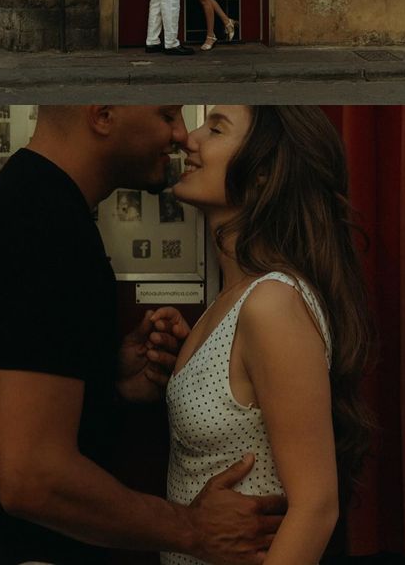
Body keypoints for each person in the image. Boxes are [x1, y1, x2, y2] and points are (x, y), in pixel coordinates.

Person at [0, 105, 285, 565]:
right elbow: (34, 479)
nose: (181, 134)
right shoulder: (49, 231)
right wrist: (194, 528)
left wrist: (102, 380)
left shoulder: (12, 208)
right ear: (101, 115)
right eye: (166, 114)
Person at [157, 105, 374, 565]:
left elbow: (316, 508)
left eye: (215, 129)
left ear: (261, 175)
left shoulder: (272, 303)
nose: (189, 138)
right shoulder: (232, 300)